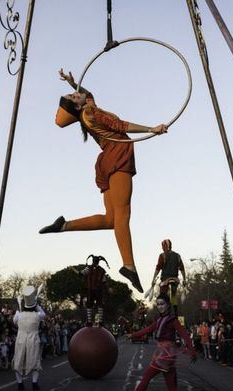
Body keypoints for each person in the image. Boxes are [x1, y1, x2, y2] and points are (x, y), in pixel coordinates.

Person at [38, 69, 169, 294]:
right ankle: (129, 265)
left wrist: (72, 82)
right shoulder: (91, 113)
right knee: (123, 215)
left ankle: (64, 225)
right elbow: (122, 126)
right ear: (77, 106)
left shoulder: (87, 110)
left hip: (107, 161)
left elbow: (87, 93)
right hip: (118, 158)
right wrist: (152, 129)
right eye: (73, 97)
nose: (75, 94)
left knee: (111, 219)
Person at [118, 294, 196, 391]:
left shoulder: (172, 320)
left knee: (147, 377)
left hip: (165, 354)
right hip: (166, 354)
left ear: (168, 305)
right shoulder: (160, 320)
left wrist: (192, 351)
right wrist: (133, 335)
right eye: (158, 304)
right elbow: (148, 329)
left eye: (162, 304)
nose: (160, 306)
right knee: (171, 386)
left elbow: (185, 335)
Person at [12, 286, 46, 391]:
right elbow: (43, 313)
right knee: (35, 361)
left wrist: (20, 306)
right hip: (33, 340)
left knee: (18, 360)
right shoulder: (38, 314)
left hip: (21, 339)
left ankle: (20, 383)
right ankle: (34, 383)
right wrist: (36, 305)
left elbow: (15, 321)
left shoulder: (18, 315)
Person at [151, 239, 186, 315]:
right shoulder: (177, 256)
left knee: (162, 295)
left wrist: (153, 279)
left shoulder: (162, 255)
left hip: (165, 279)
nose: (162, 248)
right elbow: (182, 268)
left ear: (165, 246)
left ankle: (164, 312)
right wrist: (184, 279)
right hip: (175, 279)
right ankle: (175, 312)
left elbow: (158, 268)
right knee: (173, 295)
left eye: (163, 246)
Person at [81, 255, 109, 325]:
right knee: (99, 305)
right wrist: (107, 289)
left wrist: (79, 273)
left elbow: (81, 274)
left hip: (91, 290)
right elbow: (104, 281)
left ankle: (90, 322)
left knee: (90, 305)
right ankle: (100, 321)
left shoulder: (88, 268)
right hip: (98, 290)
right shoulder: (101, 270)